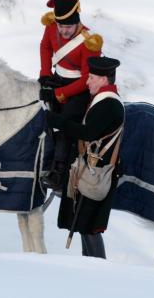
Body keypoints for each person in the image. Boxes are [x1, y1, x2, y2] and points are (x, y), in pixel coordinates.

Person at [46, 56, 125, 258]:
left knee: (90, 229)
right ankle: (91, 267)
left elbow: (88, 133)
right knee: (84, 226)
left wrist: (54, 120)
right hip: (92, 170)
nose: (87, 81)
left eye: (91, 77)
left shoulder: (108, 104)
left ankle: (98, 268)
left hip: (96, 172)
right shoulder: (103, 101)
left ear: (104, 79)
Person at [39, 0, 102, 190]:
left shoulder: (89, 42)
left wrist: (58, 94)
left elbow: (86, 79)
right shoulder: (51, 28)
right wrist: (45, 74)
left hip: (79, 89)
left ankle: (59, 172)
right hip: (57, 79)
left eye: (68, 27)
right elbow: (45, 47)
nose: (63, 31)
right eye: (61, 26)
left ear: (77, 23)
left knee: (65, 123)